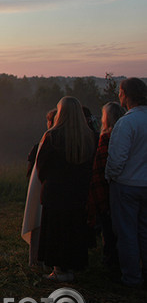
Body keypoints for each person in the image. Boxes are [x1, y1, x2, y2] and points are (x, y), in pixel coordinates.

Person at [36, 96, 96, 282]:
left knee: (56, 231)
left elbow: (41, 167)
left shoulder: (52, 136)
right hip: (78, 192)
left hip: (55, 192)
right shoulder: (90, 137)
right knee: (74, 230)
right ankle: (70, 267)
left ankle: (58, 270)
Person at [105, 77, 147, 288]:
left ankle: (131, 278)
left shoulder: (126, 122)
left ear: (126, 94)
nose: (119, 95)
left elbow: (117, 159)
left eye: (120, 92)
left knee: (127, 233)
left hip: (127, 185)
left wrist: (110, 177)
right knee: (144, 231)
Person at [87, 102, 125, 272]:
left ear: (107, 118)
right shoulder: (124, 135)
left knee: (109, 230)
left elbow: (101, 167)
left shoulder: (107, 138)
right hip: (127, 186)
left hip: (109, 187)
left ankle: (112, 264)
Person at [21, 107, 57, 267]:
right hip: (49, 188)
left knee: (39, 221)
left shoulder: (48, 139)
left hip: (47, 189)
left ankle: (37, 260)